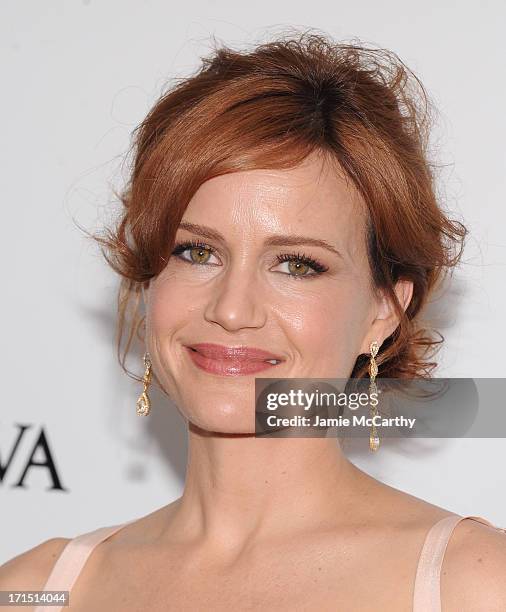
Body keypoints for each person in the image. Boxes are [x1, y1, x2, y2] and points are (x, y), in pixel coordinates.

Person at [2, 30, 506, 611]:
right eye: (197, 252)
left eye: (296, 265)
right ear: (148, 279)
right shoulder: (39, 590)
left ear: (383, 311)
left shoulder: (473, 585)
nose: (231, 310)